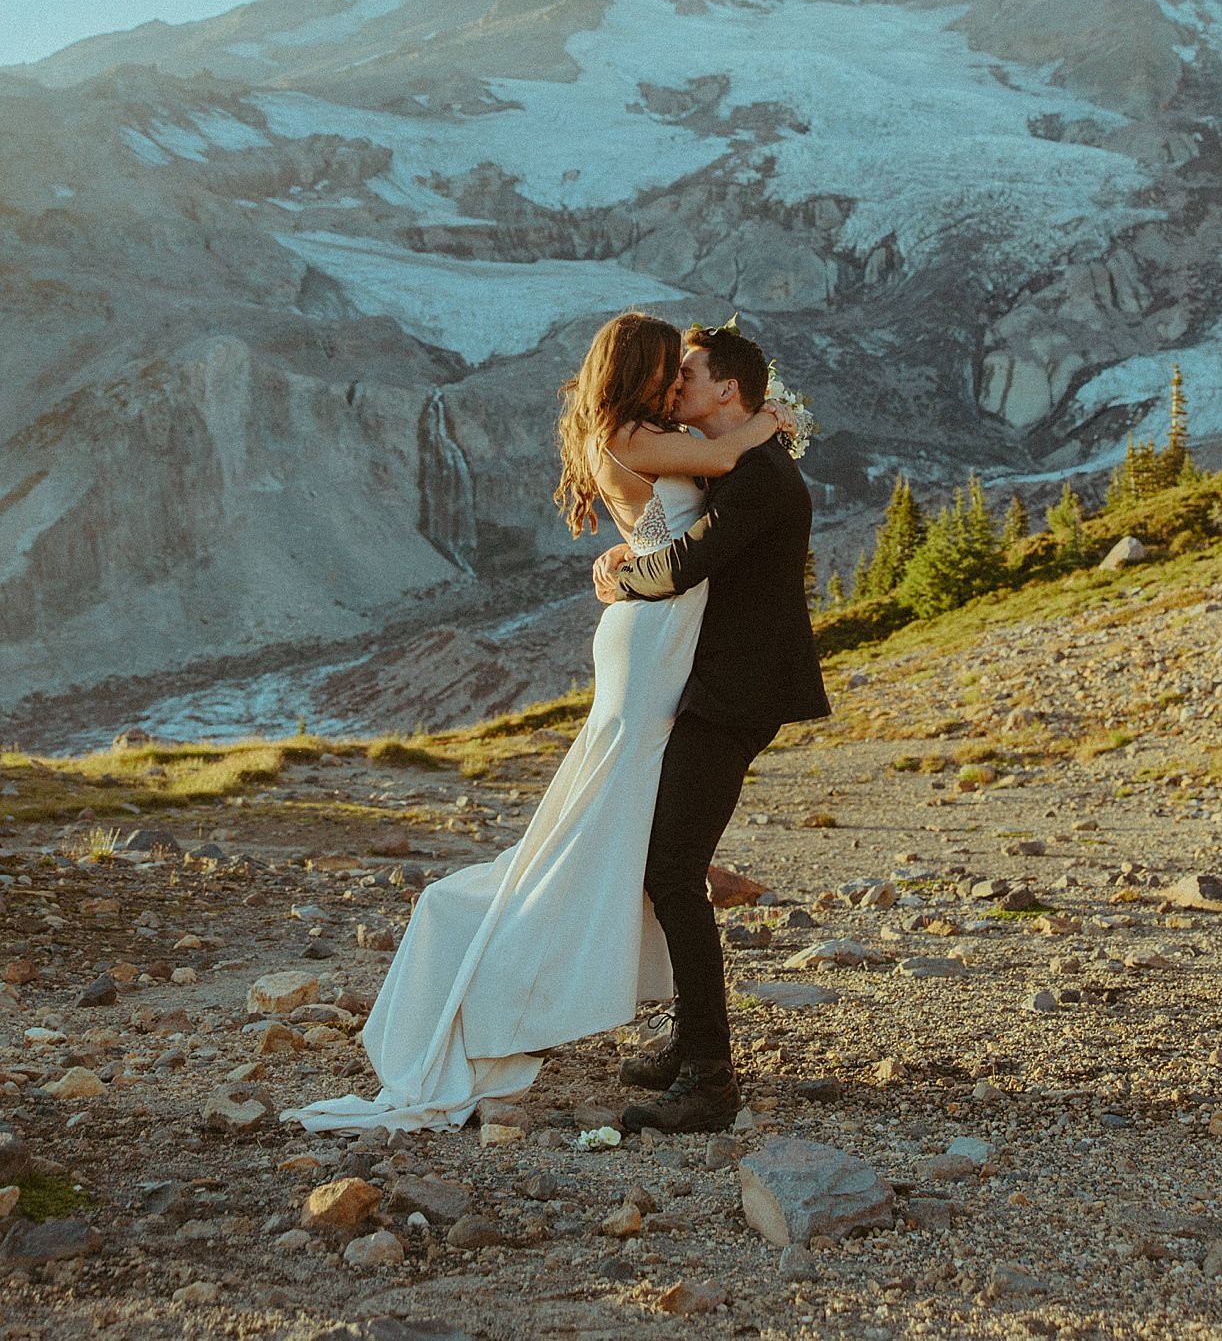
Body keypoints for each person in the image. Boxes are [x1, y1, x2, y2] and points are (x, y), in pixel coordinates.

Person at [283, 310, 783, 1135]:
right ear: (638, 370)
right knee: (617, 807)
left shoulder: (627, 432)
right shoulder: (633, 436)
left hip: (657, 626)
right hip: (651, 632)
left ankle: (669, 983)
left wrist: (627, 552)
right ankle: (533, 976)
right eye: (668, 369)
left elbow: (678, 514)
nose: (674, 382)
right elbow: (728, 456)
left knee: (629, 809)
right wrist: (771, 417)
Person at [592, 321, 831, 1134]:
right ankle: (691, 1043)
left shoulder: (761, 476)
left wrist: (624, 577)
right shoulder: (749, 462)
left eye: (687, 375)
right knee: (670, 865)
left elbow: (689, 562)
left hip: (734, 693)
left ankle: (708, 1077)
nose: (674, 388)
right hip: (716, 685)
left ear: (727, 391)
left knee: (672, 869)